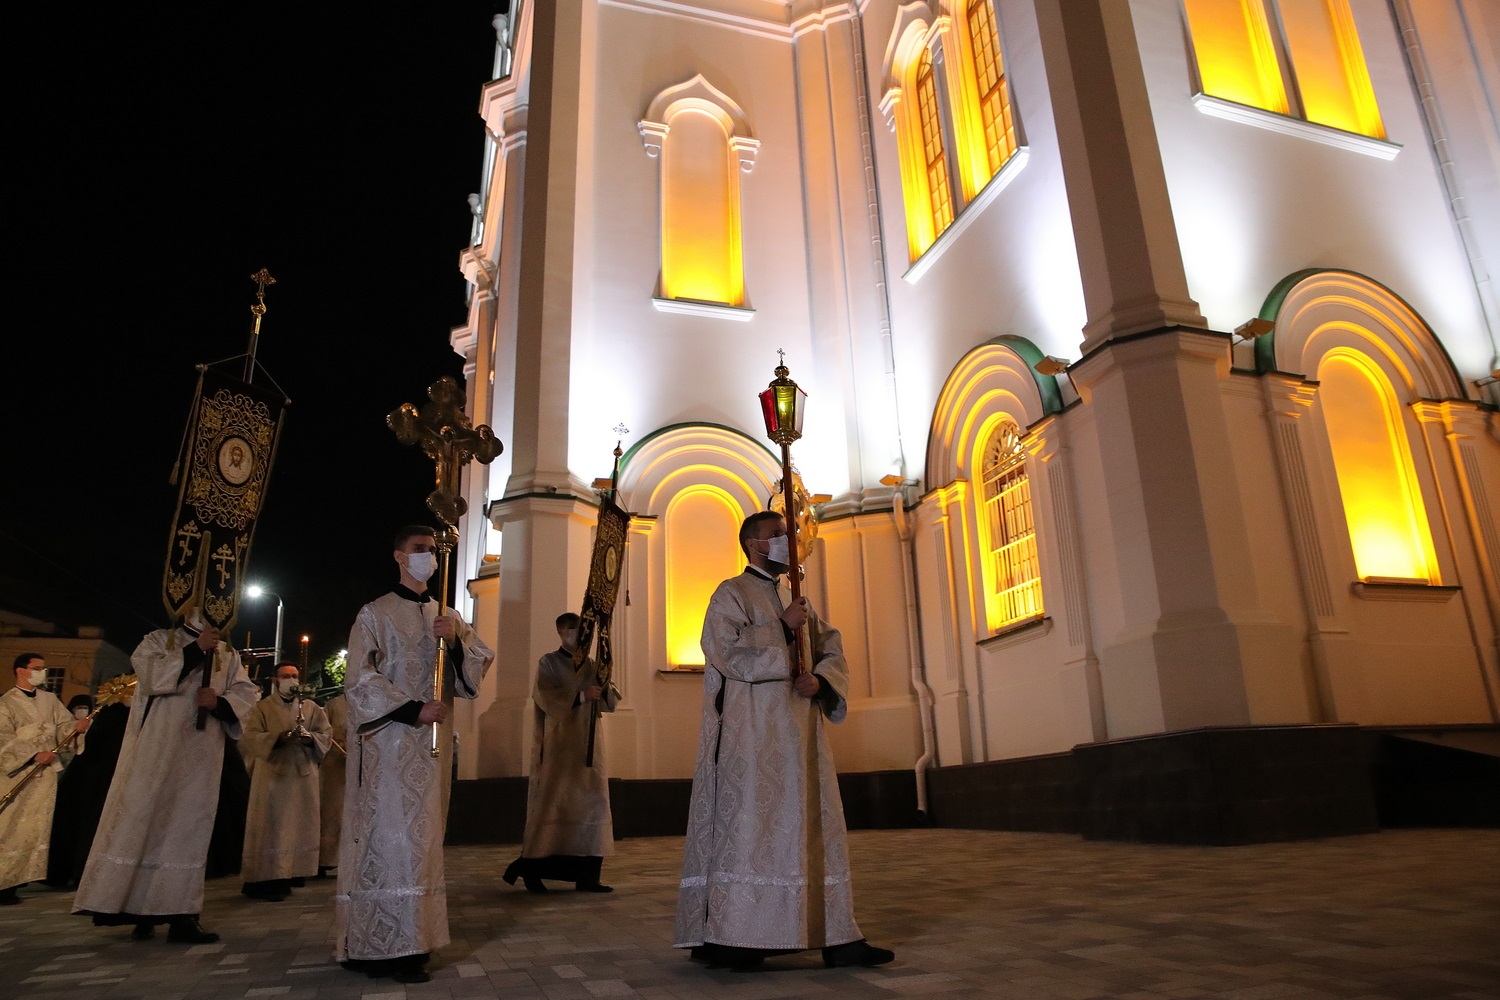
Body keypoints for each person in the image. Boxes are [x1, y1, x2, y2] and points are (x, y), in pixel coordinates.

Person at [674, 511, 895, 969]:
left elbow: (830, 648)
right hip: (752, 741)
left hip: (800, 738)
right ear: (753, 545)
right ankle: (737, 937)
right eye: (776, 535)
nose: (786, 541)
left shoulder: (797, 601)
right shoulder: (731, 593)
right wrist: (780, 627)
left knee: (812, 828)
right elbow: (722, 650)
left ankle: (837, 936)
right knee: (753, 830)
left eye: (787, 533)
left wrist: (820, 678)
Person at [334, 525, 494, 984]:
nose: (429, 558)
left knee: (422, 844)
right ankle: (377, 944)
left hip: (430, 752)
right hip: (388, 744)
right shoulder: (374, 613)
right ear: (400, 556)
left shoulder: (448, 614)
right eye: (420, 550)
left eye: (434, 551)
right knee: (389, 841)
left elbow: (475, 670)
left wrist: (457, 642)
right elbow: (358, 678)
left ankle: (415, 940)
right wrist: (411, 709)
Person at [72, 609, 258, 943]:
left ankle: (182, 915)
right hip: (156, 753)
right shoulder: (159, 640)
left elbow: (246, 692)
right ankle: (133, 908)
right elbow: (150, 676)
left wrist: (220, 702)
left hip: (201, 756)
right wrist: (194, 649)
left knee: (189, 831)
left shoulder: (228, 654)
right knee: (143, 822)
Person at [503, 612, 620, 893]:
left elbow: (610, 702)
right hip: (560, 748)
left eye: (581, 630)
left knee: (594, 805)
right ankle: (531, 870)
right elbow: (545, 696)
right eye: (572, 630)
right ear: (560, 632)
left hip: (592, 752)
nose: (577, 635)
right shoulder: (549, 662)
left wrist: (603, 686)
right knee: (556, 805)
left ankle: (588, 876)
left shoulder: (592, 664)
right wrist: (580, 696)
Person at [0, 653, 88, 905]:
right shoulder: (6, 703)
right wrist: (33, 754)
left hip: (45, 776)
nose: (43, 672)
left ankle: (19, 880)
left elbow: (63, 727)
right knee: (11, 828)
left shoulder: (50, 700)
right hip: (18, 773)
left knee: (34, 829)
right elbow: (3, 739)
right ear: (21, 671)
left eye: (43, 668)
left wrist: (75, 728)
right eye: (37, 668)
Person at [239, 662, 331, 901]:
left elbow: (325, 733)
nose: (291, 679)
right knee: (273, 828)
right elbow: (250, 737)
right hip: (273, 775)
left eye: (295, 676)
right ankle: (267, 878)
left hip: (302, 774)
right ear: (275, 680)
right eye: (286, 676)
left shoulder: (310, 707)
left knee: (298, 826)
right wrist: (277, 739)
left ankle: (293, 872)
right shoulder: (262, 707)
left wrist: (310, 738)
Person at [47, 682, 132, 889]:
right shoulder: (112, 716)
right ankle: (77, 872)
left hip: (108, 779)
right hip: (94, 781)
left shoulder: (124, 718)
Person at [317, 692, 347, 878]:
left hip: (362, 765)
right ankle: (326, 859)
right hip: (335, 765)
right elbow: (324, 732)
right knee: (333, 812)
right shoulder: (334, 705)